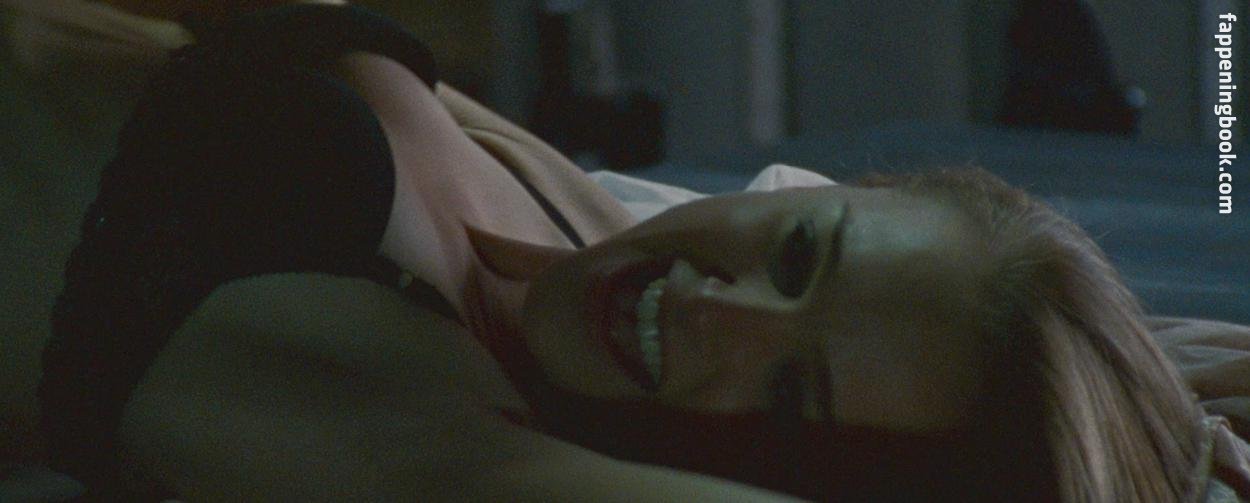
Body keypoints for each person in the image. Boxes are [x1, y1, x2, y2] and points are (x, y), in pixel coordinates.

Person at [30, 1, 1250, 501]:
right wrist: (1165, 409)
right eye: (797, 253)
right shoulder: (583, 227)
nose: (719, 307)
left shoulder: (450, 431)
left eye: (790, 391)